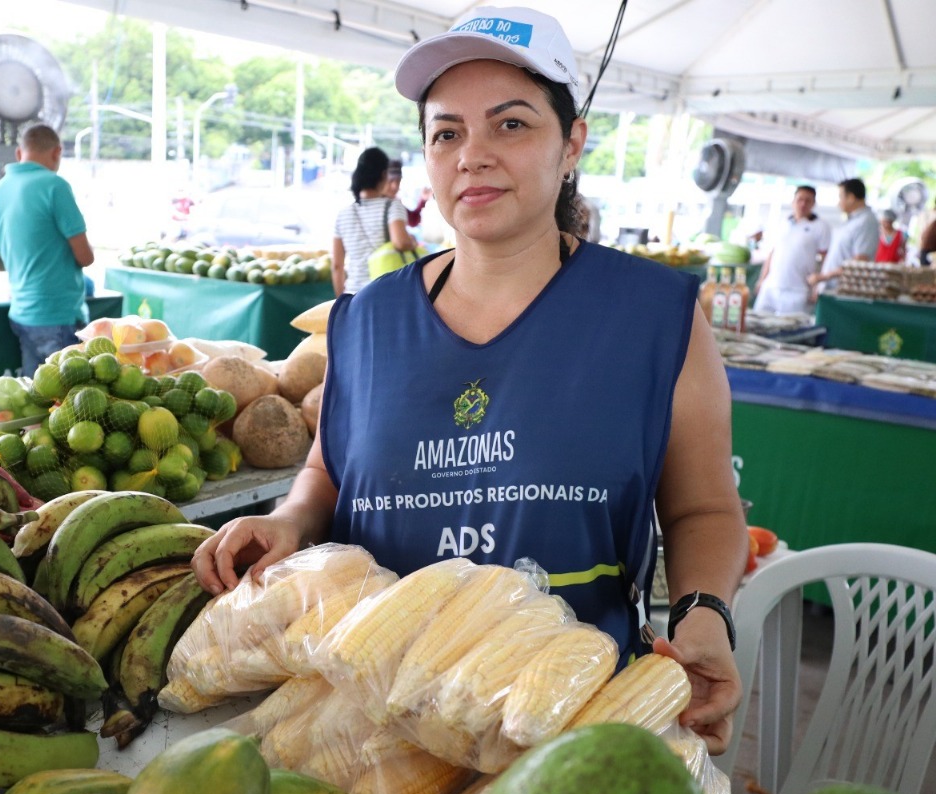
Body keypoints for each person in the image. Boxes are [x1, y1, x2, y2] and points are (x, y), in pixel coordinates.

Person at [192, 5, 747, 756]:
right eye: (447, 132)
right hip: (363, 724)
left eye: (511, 125)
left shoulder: (655, 318)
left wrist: (703, 615)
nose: (472, 155)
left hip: (563, 725)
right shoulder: (366, 320)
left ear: (571, 144)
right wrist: (290, 521)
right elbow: (327, 472)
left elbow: (704, 508)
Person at [0, 123, 95, 377]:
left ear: (19, 153)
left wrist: (22, 257)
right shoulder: (55, 186)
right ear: (57, 152)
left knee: (36, 400)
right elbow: (85, 257)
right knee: (72, 404)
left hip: (21, 316)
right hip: (58, 316)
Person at [331, 147, 416, 296]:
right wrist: (412, 242)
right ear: (384, 174)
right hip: (382, 294)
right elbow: (401, 242)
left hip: (353, 295)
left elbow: (337, 266)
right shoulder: (392, 206)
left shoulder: (342, 215)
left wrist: (341, 302)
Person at [752, 185, 831, 316]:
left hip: (798, 290)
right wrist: (762, 279)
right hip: (771, 286)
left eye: (808, 200)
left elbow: (825, 258)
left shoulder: (820, 226)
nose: (803, 204)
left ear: (813, 204)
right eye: (800, 199)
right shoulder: (783, 222)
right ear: (793, 201)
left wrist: (819, 286)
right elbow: (772, 253)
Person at [806, 178, 879, 300]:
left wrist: (824, 277)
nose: (838, 203)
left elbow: (859, 261)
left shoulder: (866, 222)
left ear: (851, 197)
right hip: (832, 289)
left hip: (844, 292)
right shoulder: (852, 220)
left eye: (840, 197)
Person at [386, 159, 432, 228]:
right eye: (391, 180)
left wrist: (423, 199)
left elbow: (413, 220)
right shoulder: (379, 203)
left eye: (398, 180)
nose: (395, 186)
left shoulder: (395, 203)